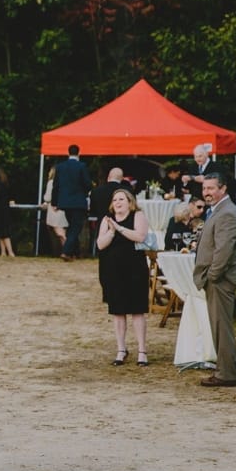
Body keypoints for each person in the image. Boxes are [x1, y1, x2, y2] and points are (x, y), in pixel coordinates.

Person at [192, 173, 236, 387]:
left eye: (211, 188)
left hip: (221, 280)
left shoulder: (227, 214)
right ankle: (228, 368)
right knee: (220, 326)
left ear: (223, 189)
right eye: (204, 189)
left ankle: (227, 374)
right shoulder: (219, 211)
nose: (206, 193)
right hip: (217, 278)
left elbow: (223, 251)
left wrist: (212, 276)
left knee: (221, 326)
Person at [96, 189, 151, 366]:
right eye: (115, 200)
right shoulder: (107, 219)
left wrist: (119, 228)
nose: (118, 202)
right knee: (118, 311)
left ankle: (142, 351)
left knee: (137, 310)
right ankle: (121, 349)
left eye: (121, 199)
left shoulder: (138, 215)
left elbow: (140, 236)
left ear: (129, 202)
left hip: (135, 268)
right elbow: (100, 244)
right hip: (113, 269)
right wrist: (111, 232)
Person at [53, 144, 92, 261]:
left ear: (68, 153)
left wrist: (55, 202)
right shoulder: (82, 166)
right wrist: (85, 193)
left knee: (71, 227)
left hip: (65, 202)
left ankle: (74, 252)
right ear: (79, 153)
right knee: (75, 228)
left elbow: (56, 186)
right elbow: (87, 184)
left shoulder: (60, 167)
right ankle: (66, 251)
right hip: (78, 202)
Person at [41, 166, 68, 251]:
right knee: (62, 231)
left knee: (60, 233)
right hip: (63, 209)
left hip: (54, 210)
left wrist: (45, 200)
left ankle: (69, 249)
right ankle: (66, 251)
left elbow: (48, 197)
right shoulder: (65, 183)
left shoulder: (51, 183)